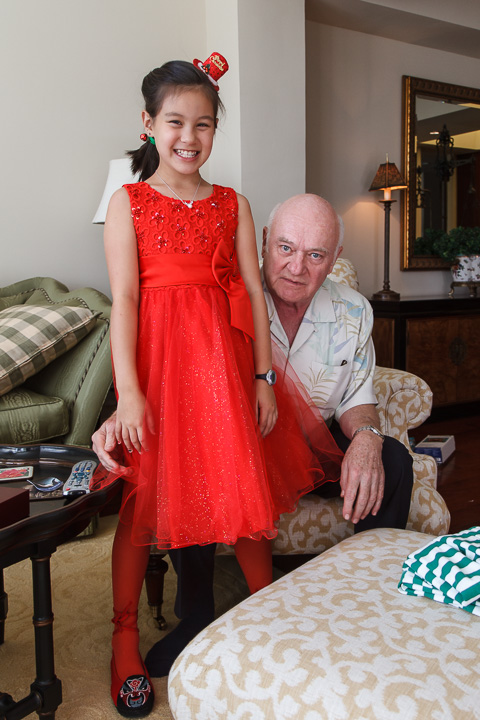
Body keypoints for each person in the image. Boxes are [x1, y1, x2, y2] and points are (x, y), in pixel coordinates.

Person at [93, 56, 342, 718]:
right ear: (149, 124)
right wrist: (130, 393)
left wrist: (263, 378)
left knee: (241, 492)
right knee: (143, 504)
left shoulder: (233, 203)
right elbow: (124, 300)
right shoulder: (128, 203)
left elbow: (255, 293)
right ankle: (123, 638)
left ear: (214, 130)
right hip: (158, 374)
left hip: (224, 371)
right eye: (175, 122)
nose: (189, 137)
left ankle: (266, 619)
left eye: (203, 124)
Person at [93, 192, 414, 681]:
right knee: (196, 462)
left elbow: (358, 393)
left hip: (314, 447)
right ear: (264, 242)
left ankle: (370, 597)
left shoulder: (353, 310)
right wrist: (124, 408)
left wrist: (367, 438)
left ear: (335, 258)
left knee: (393, 460)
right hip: (245, 446)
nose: (296, 267)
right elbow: (172, 368)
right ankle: (195, 616)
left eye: (315, 255)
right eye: (285, 248)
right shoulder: (225, 295)